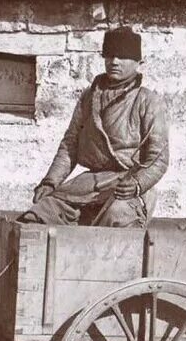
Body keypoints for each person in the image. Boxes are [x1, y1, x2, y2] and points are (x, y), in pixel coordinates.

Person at [19, 27, 168, 228]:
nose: (114, 62)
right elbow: (70, 145)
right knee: (41, 211)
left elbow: (158, 159)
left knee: (119, 213)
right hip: (90, 186)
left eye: (123, 57)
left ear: (138, 63)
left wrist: (137, 184)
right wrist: (50, 182)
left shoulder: (148, 101)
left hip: (128, 187)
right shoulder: (89, 97)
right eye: (110, 55)